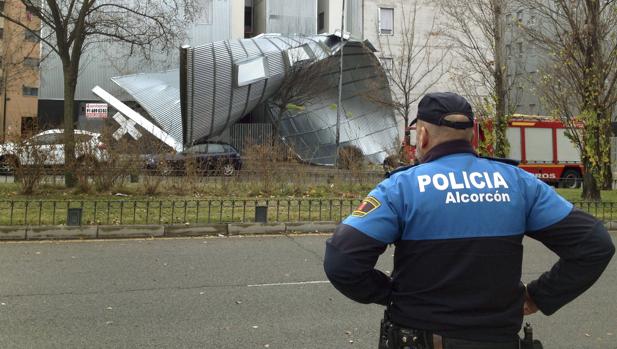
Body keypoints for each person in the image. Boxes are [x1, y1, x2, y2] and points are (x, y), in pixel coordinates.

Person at [323, 92, 615, 349]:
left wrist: (388, 293)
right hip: (498, 339)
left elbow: (342, 260)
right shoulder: (518, 183)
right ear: (473, 135)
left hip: (420, 335)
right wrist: (539, 296)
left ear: (422, 135)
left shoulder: (402, 187)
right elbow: (594, 245)